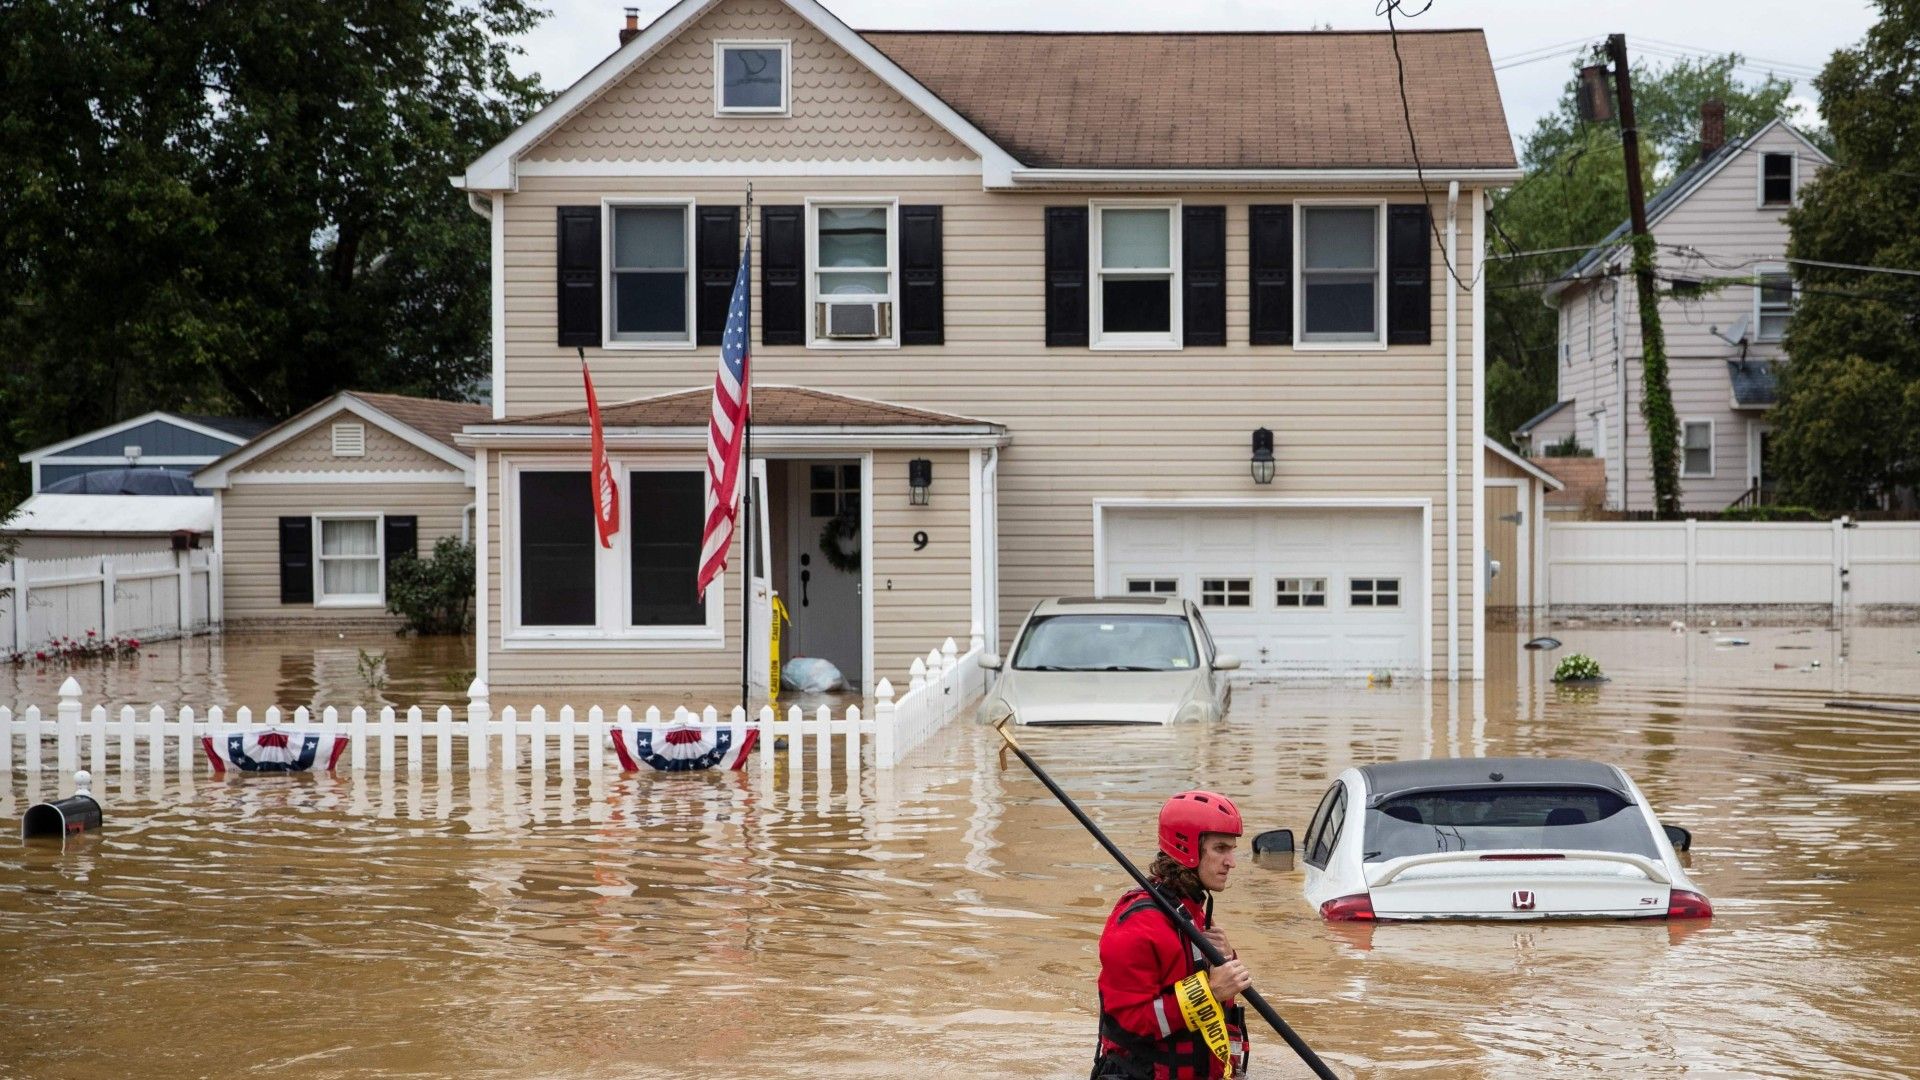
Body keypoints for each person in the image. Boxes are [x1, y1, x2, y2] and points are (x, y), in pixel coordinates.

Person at [1092, 790, 1252, 1079]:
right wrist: (1209, 991)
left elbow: (1217, 995)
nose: (1231, 862)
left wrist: (1227, 959)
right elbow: (1129, 1023)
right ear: (1186, 847)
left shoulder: (1193, 913)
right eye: (1220, 849)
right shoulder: (1136, 926)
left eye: (1232, 850)